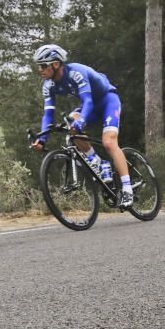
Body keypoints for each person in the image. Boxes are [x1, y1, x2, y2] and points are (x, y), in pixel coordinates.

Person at [29, 44, 133, 208]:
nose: (40, 70)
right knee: (70, 121)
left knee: (109, 142)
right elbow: (48, 115)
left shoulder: (75, 72)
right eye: (38, 66)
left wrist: (81, 122)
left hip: (107, 101)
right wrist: (42, 139)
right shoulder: (48, 86)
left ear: (56, 64)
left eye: (43, 65)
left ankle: (127, 188)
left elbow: (88, 102)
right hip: (89, 106)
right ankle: (97, 161)